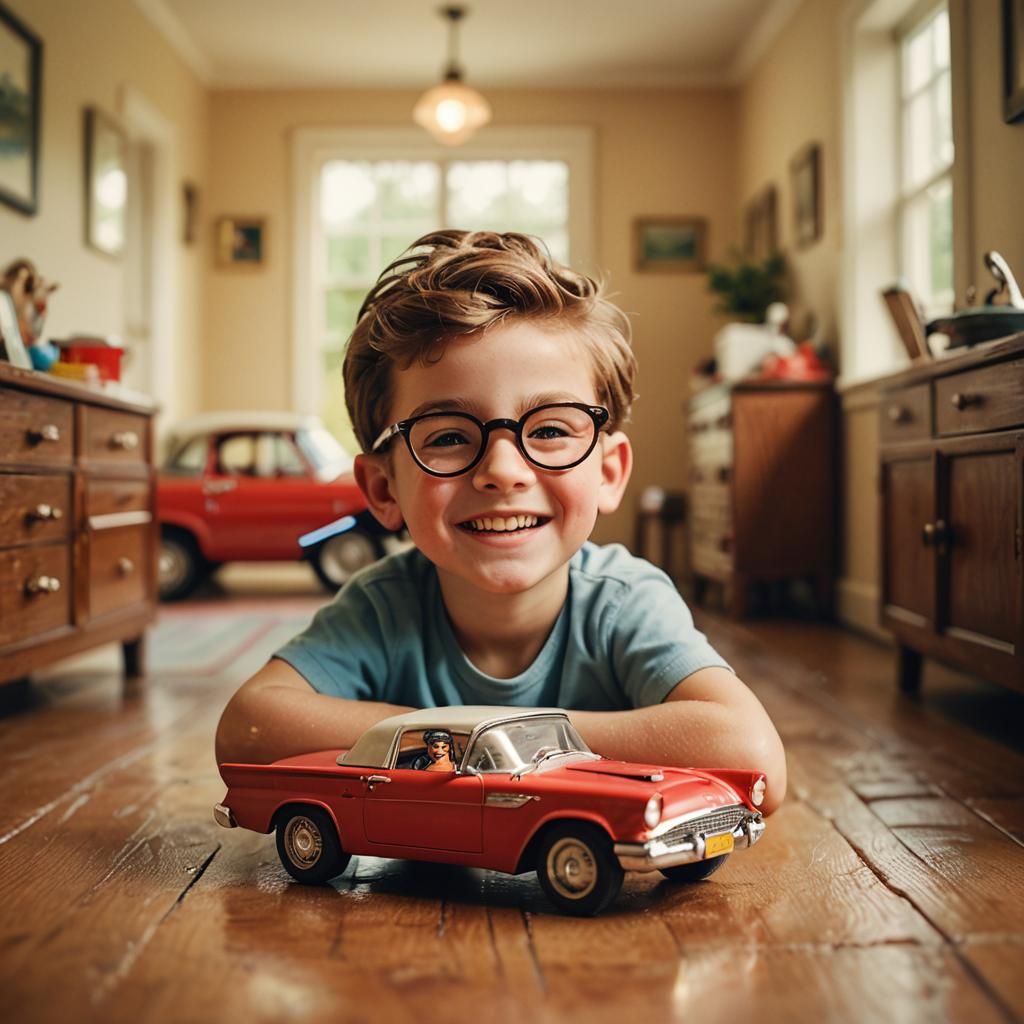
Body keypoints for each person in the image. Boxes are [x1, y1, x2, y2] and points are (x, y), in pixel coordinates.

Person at [215, 230, 786, 813]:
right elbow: (249, 729)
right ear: (384, 490)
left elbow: (749, 756)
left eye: (549, 430)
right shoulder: (382, 608)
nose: (503, 471)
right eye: (449, 438)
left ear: (609, 471)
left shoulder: (623, 603)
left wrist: (473, 738)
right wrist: (494, 737)